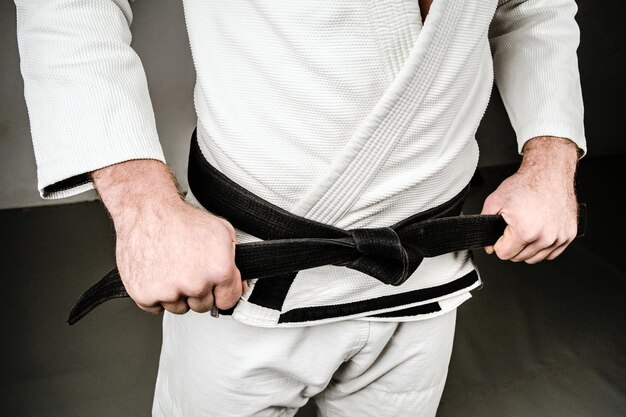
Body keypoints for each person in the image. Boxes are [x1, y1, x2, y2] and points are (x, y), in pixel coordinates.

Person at [14, 0, 585, 415]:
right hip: (243, 274)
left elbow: (534, 6)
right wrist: (141, 205)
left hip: (425, 276)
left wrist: (552, 154)